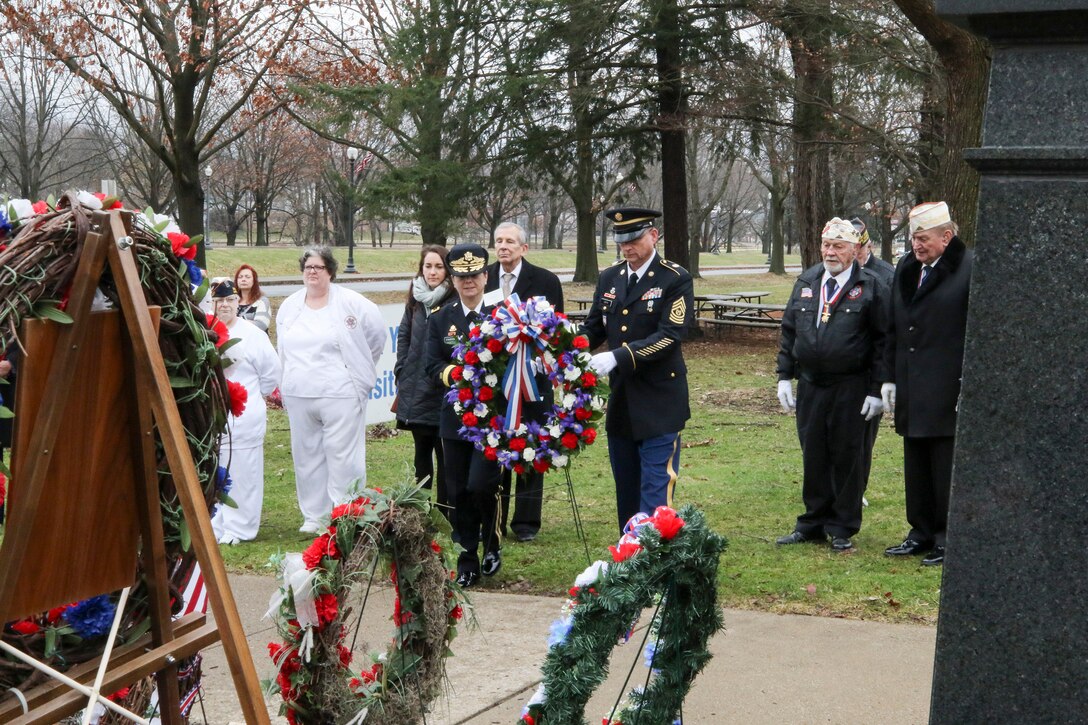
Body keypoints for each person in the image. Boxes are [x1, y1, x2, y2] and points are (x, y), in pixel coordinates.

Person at [775, 218, 889, 552]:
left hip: (851, 385)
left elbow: (883, 341)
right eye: (826, 244)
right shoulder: (807, 281)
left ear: (855, 250)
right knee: (814, 452)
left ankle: (842, 525)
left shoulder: (870, 286)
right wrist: (784, 375)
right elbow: (789, 330)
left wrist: (877, 388)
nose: (830, 252)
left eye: (839, 246)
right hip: (812, 383)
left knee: (847, 454)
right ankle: (812, 521)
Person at [583, 207, 693, 532]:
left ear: (653, 235)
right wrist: (561, 347)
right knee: (626, 493)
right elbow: (594, 327)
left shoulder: (674, 278)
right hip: (622, 402)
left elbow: (669, 336)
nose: (627, 247)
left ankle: (654, 563)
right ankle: (627, 565)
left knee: (655, 496)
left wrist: (619, 356)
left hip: (660, 401)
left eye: (633, 239)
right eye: (621, 241)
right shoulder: (610, 277)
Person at [881, 202, 972, 567]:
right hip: (910, 380)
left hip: (947, 381)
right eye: (913, 238)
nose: (917, 246)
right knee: (915, 459)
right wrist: (887, 376)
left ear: (946, 237)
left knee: (944, 461)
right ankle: (919, 531)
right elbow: (894, 326)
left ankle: (947, 536)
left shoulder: (969, 268)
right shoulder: (906, 267)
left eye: (923, 238)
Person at [276, 247, 386, 532]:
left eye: (318, 267)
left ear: (331, 272)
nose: (312, 272)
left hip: (340, 392)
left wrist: (357, 370)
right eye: (308, 267)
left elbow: (375, 334)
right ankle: (314, 515)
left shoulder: (352, 303)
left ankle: (345, 510)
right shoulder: (290, 305)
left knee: (342, 455)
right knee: (307, 456)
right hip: (300, 392)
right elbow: (283, 347)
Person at [425, 243, 503, 587]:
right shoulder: (441, 318)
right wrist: (459, 374)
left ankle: (492, 540)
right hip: (454, 417)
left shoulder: (504, 316)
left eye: (474, 275)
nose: (468, 282)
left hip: (494, 418)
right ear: (452, 280)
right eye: (461, 276)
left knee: (482, 484)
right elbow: (431, 365)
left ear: (486, 276)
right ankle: (467, 554)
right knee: (457, 490)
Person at [483, 221, 565, 542]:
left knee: (532, 445)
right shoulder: (484, 277)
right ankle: (495, 519)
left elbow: (555, 329)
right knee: (498, 445)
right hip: (495, 378)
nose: (503, 246)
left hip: (534, 379)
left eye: (510, 242)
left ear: (523, 248)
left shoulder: (545, 281)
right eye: (499, 241)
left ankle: (527, 523)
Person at [208, 280, 281, 544]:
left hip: (244, 416)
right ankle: (217, 523)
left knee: (244, 473)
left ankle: (241, 527)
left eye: (229, 301)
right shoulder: (207, 331)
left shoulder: (252, 335)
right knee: (215, 471)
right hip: (213, 419)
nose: (224, 306)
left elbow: (271, 374)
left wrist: (252, 396)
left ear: (238, 303)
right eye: (219, 302)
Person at [395, 245, 455, 518]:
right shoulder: (416, 299)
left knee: (447, 458)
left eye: (438, 267)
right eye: (428, 266)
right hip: (416, 389)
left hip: (442, 389)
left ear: (447, 269)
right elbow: (404, 336)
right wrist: (401, 369)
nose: (432, 272)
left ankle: (445, 511)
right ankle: (420, 511)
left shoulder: (454, 300)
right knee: (422, 455)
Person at [851, 217, 894, 498]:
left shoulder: (886, 275)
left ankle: (857, 488)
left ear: (865, 247)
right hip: (842, 367)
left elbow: (889, 328)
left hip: (870, 370)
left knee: (864, 437)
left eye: (853, 248)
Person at [851, 218, 895, 285]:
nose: (854, 258)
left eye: (859, 254)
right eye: (851, 253)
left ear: (869, 247)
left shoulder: (888, 275)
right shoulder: (840, 271)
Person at [234, 264, 272, 332]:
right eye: (240, 277)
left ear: (254, 280)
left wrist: (235, 322)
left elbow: (261, 325)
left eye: (247, 277)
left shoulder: (262, 301)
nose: (243, 279)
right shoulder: (233, 301)